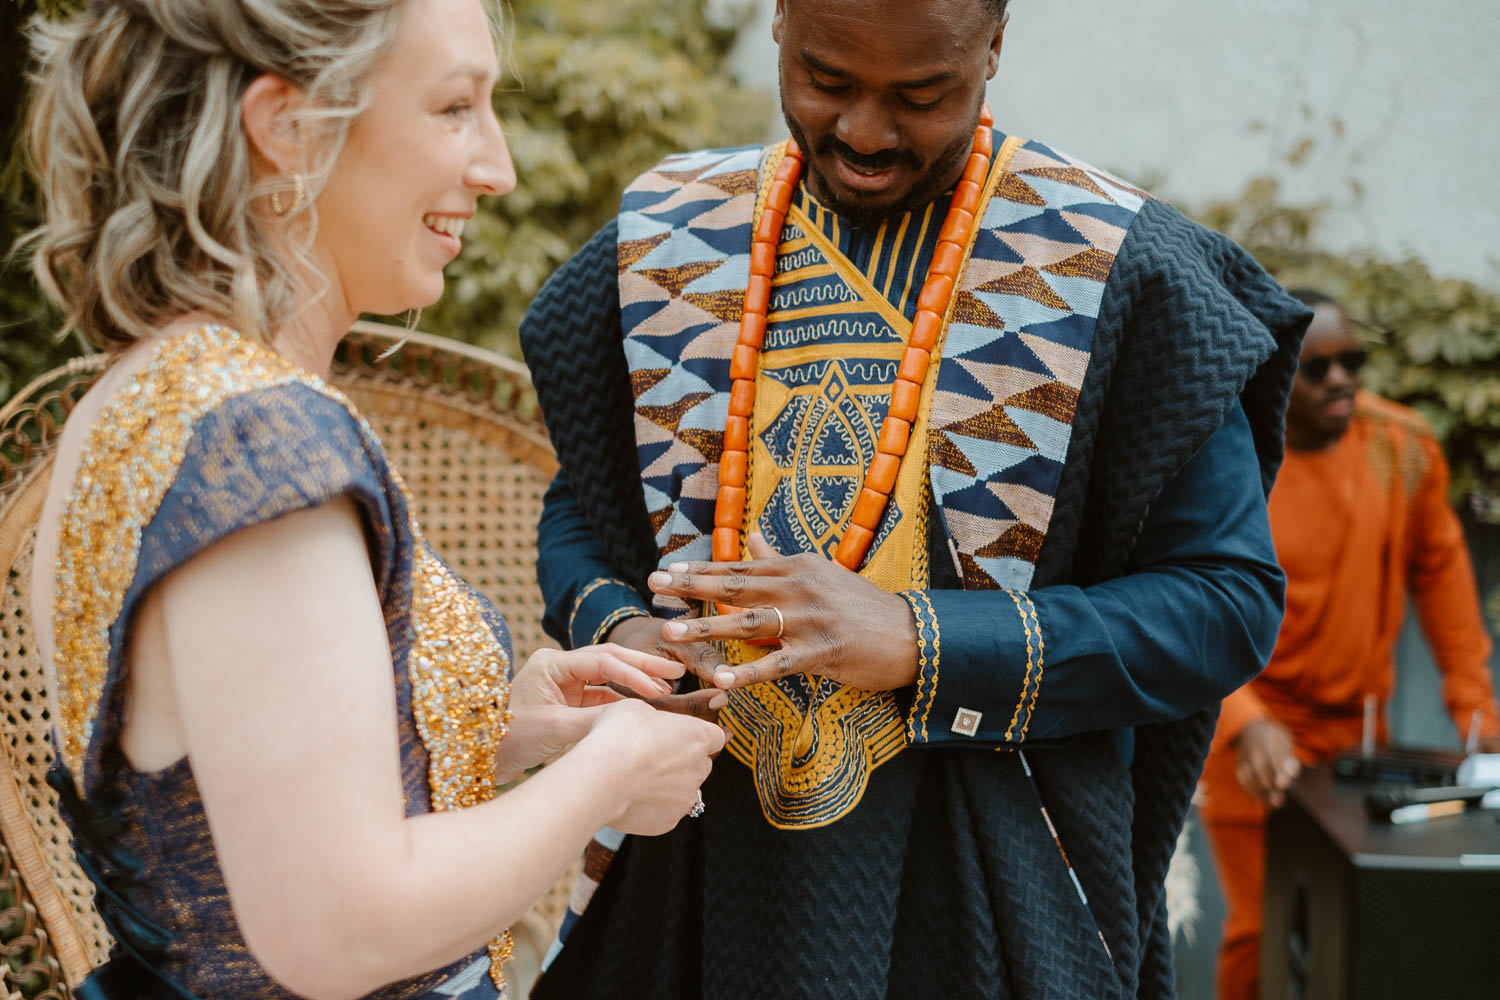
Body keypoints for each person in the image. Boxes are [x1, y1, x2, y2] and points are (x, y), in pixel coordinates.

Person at [518, 0, 1311, 996]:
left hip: (987, 891)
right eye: (826, 80)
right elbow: (587, 507)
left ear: (995, 43)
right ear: (777, 22)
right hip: (690, 870)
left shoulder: (1114, 267)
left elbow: (1225, 605)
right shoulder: (673, 243)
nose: (862, 134)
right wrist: (625, 628)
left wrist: (919, 637)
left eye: (921, 95)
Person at [23, 1, 725, 997]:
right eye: (453, 108)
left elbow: (228, 782)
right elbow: (337, 926)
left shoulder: (143, 393)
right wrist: (610, 771)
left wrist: (496, 729)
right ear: (290, 128)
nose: (497, 167)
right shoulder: (259, 444)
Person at [1197, 289, 1500, 1000]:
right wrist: (1246, 723)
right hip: (1253, 740)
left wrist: (1475, 712)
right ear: (1272, 375)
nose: (1342, 380)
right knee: (1260, 929)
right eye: (1318, 367)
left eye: (1353, 362)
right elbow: (1193, 607)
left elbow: (1445, 583)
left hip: (1359, 741)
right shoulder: (1222, 457)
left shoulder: (1403, 448)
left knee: (1362, 926)